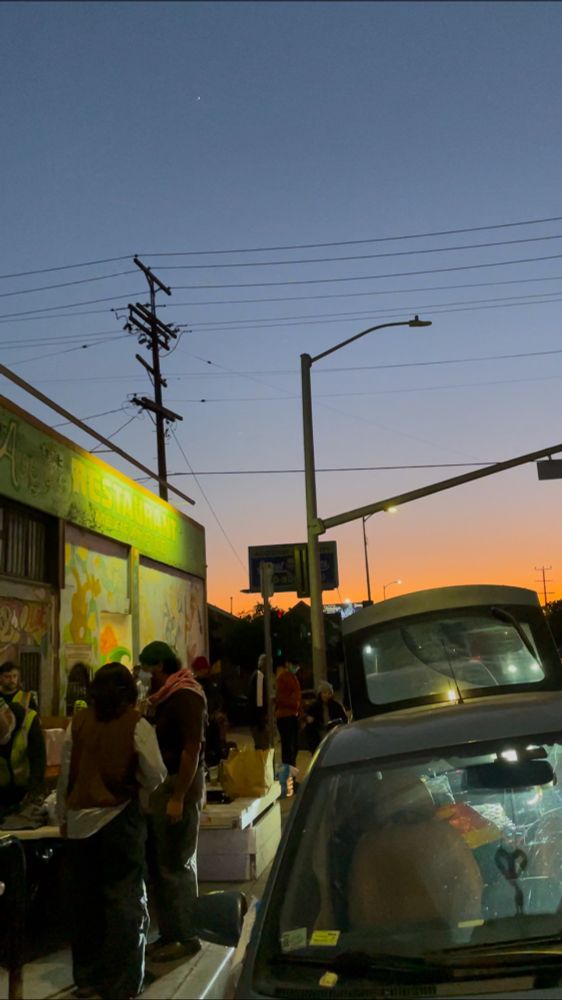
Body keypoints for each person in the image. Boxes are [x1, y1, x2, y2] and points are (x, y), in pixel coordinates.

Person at [57, 662, 166, 1000]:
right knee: (124, 901)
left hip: (79, 823)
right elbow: (156, 772)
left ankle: (87, 978)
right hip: (120, 819)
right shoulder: (136, 724)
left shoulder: (78, 723)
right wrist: (140, 792)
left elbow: (66, 775)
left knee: (84, 902)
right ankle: (123, 983)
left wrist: (63, 815)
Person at [138, 640, 207, 963]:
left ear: (160, 666)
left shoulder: (185, 696)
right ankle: (169, 934)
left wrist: (179, 796)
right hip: (165, 786)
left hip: (180, 785)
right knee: (162, 864)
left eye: (147, 669)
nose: (145, 676)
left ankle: (185, 935)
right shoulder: (165, 696)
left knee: (176, 864)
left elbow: (191, 748)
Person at [0, 694, 45, 821]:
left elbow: (38, 759)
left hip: (26, 790)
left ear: (7, 714)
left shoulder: (28, 720)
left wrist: (34, 791)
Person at [192, 655, 229, 767]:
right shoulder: (202, 684)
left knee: (212, 749)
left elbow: (217, 700)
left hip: (208, 723)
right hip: (206, 723)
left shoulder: (206, 683)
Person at [304, 681, 348, 752]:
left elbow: (344, 719)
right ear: (320, 694)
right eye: (324, 693)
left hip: (334, 734)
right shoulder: (314, 707)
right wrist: (308, 719)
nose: (327, 695)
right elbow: (308, 725)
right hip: (319, 736)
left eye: (329, 693)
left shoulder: (336, 705)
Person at [275, 659, 302, 767]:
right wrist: (294, 703)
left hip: (291, 715)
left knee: (292, 747)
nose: (296, 668)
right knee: (289, 748)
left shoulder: (291, 677)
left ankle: (290, 771)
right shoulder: (284, 678)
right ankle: (288, 773)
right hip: (286, 716)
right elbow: (280, 698)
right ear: (287, 664)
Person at [248, 654, 269, 750]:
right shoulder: (259, 676)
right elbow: (259, 699)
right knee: (263, 747)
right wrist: (261, 720)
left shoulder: (255, 676)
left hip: (254, 719)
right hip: (257, 720)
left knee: (259, 747)